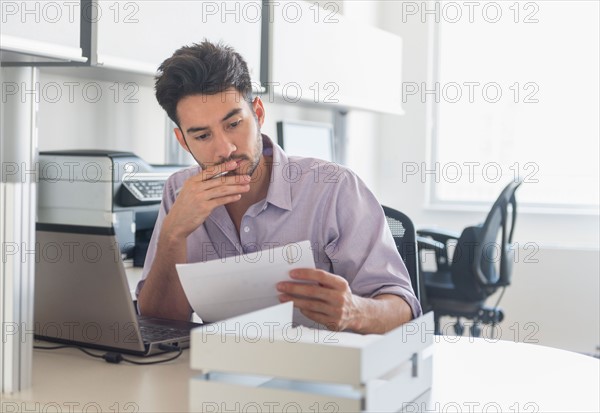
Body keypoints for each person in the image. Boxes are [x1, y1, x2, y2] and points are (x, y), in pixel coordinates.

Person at [136, 41, 421, 334]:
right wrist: (172, 235)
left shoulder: (334, 187)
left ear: (257, 113)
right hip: (219, 370)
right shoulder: (178, 191)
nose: (225, 148)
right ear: (183, 141)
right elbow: (160, 323)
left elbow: (403, 309)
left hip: (321, 369)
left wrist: (355, 312)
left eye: (233, 123)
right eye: (202, 136)